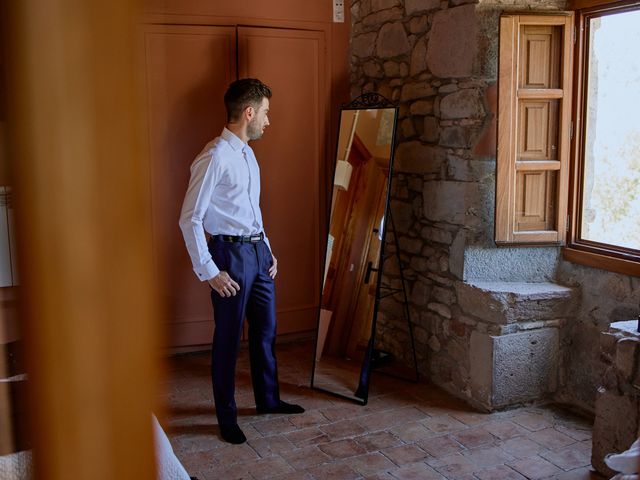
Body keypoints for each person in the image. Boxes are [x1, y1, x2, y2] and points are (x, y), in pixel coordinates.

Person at [179, 78, 304, 445]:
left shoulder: (248, 153)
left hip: (258, 255)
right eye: (265, 113)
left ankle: (268, 401)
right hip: (229, 258)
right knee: (229, 341)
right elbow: (190, 218)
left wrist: (267, 247)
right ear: (248, 113)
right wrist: (210, 271)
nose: (268, 121)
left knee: (266, 333)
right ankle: (227, 417)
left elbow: (251, 209)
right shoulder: (214, 156)